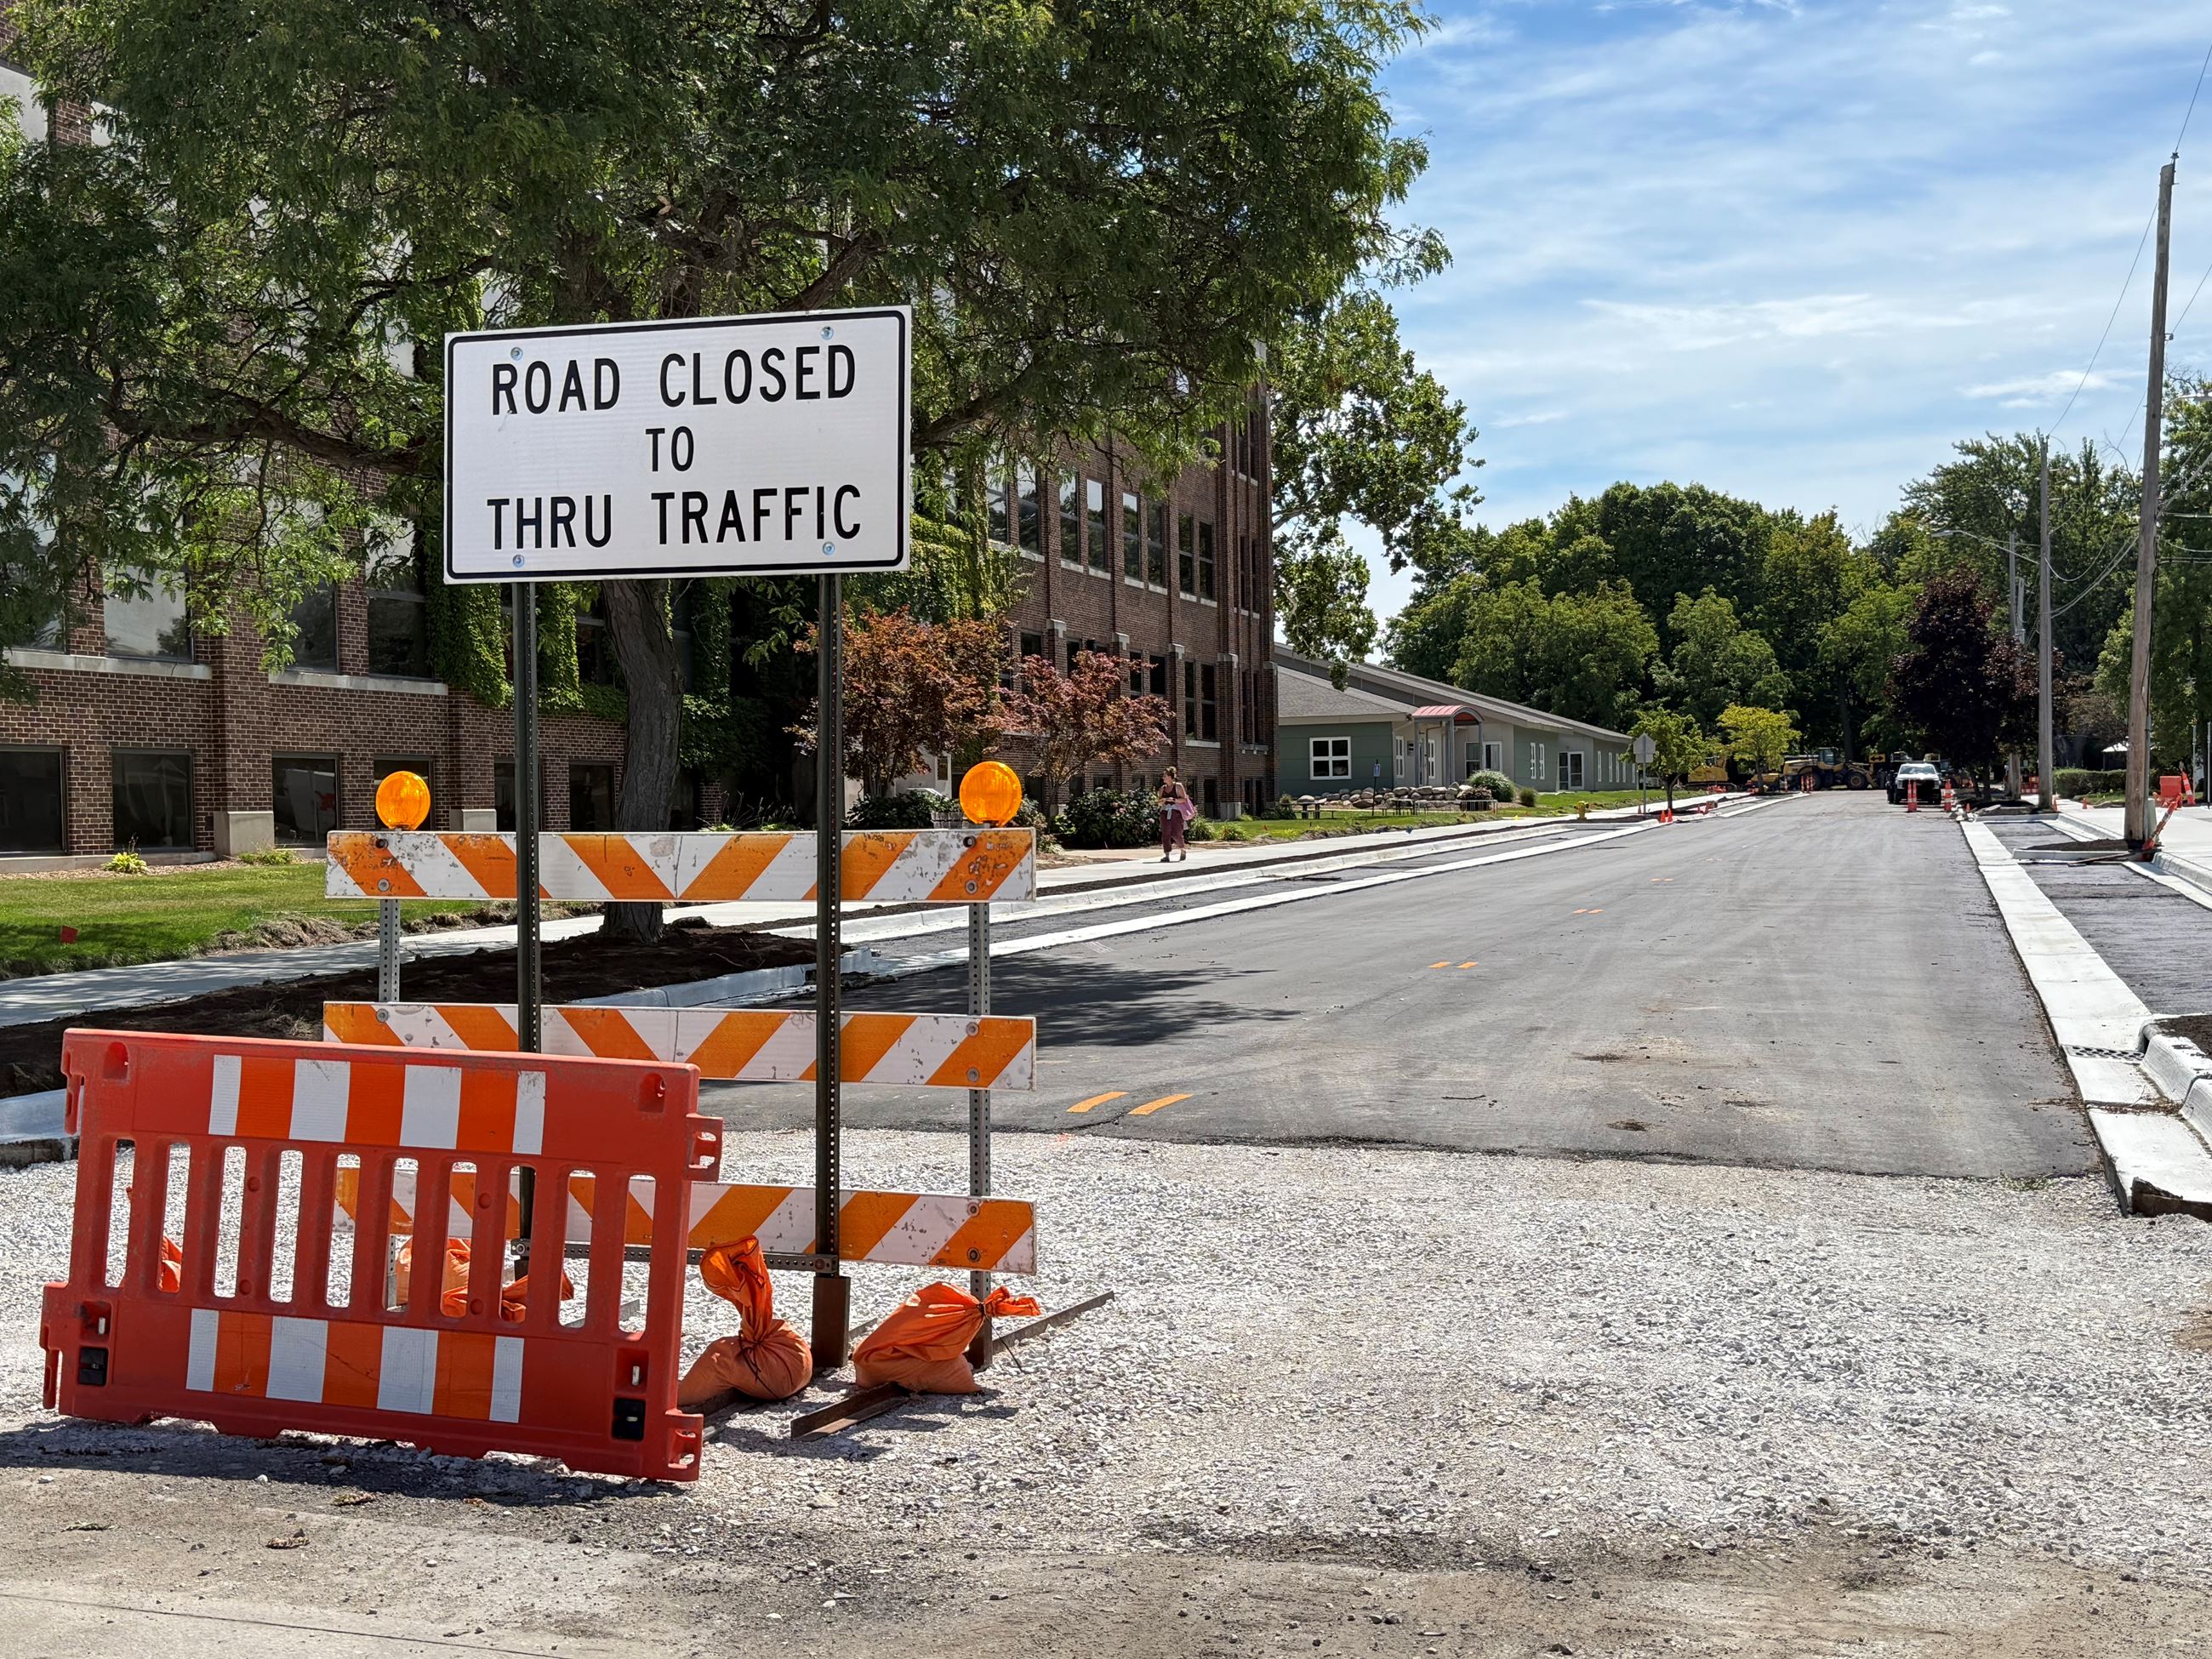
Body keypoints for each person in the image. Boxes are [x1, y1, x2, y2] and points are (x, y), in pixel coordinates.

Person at [1158, 767, 1193, 862]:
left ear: (1170, 777)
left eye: (1165, 776)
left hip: (1176, 812)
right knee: (1165, 834)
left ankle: (1182, 849)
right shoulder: (1162, 788)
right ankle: (1167, 855)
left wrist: (1173, 800)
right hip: (1165, 812)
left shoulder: (1178, 786)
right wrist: (1162, 801)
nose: (1163, 778)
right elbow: (1159, 802)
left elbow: (1184, 799)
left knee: (1177, 833)